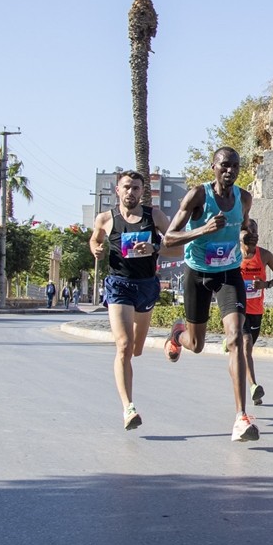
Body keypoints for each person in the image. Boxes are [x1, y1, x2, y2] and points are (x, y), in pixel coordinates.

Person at [163, 147, 259, 442]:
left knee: (235, 337)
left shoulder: (243, 198)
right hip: (198, 272)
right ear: (214, 167)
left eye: (235, 166)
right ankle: (178, 334)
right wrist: (203, 229)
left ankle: (241, 417)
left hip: (229, 272)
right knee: (197, 344)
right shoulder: (198, 196)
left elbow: (243, 227)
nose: (230, 171)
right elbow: (168, 238)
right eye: (225, 165)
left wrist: (247, 236)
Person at [89, 170, 174, 430]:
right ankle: (128, 408)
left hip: (146, 285)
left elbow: (178, 246)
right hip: (118, 285)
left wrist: (155, 248)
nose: (131, 192)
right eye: (126, 187)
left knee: (136, 350)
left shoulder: (155, 217)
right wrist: (96, 248)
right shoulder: (105, 219)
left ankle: (173, 337)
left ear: (142, 191)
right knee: (124, 346)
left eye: (136, 188)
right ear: (117, 190)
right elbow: (95, 239)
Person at [233, 218, 273, 406]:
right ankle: (254, 386)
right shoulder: (233, 254)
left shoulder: (264, 256)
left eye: (254, 230)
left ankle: (230, 340)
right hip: (237, 308)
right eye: (247, 230)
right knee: (245, 344)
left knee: (248, 347)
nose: (251, 233)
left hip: (256, 310)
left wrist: (266, 284)